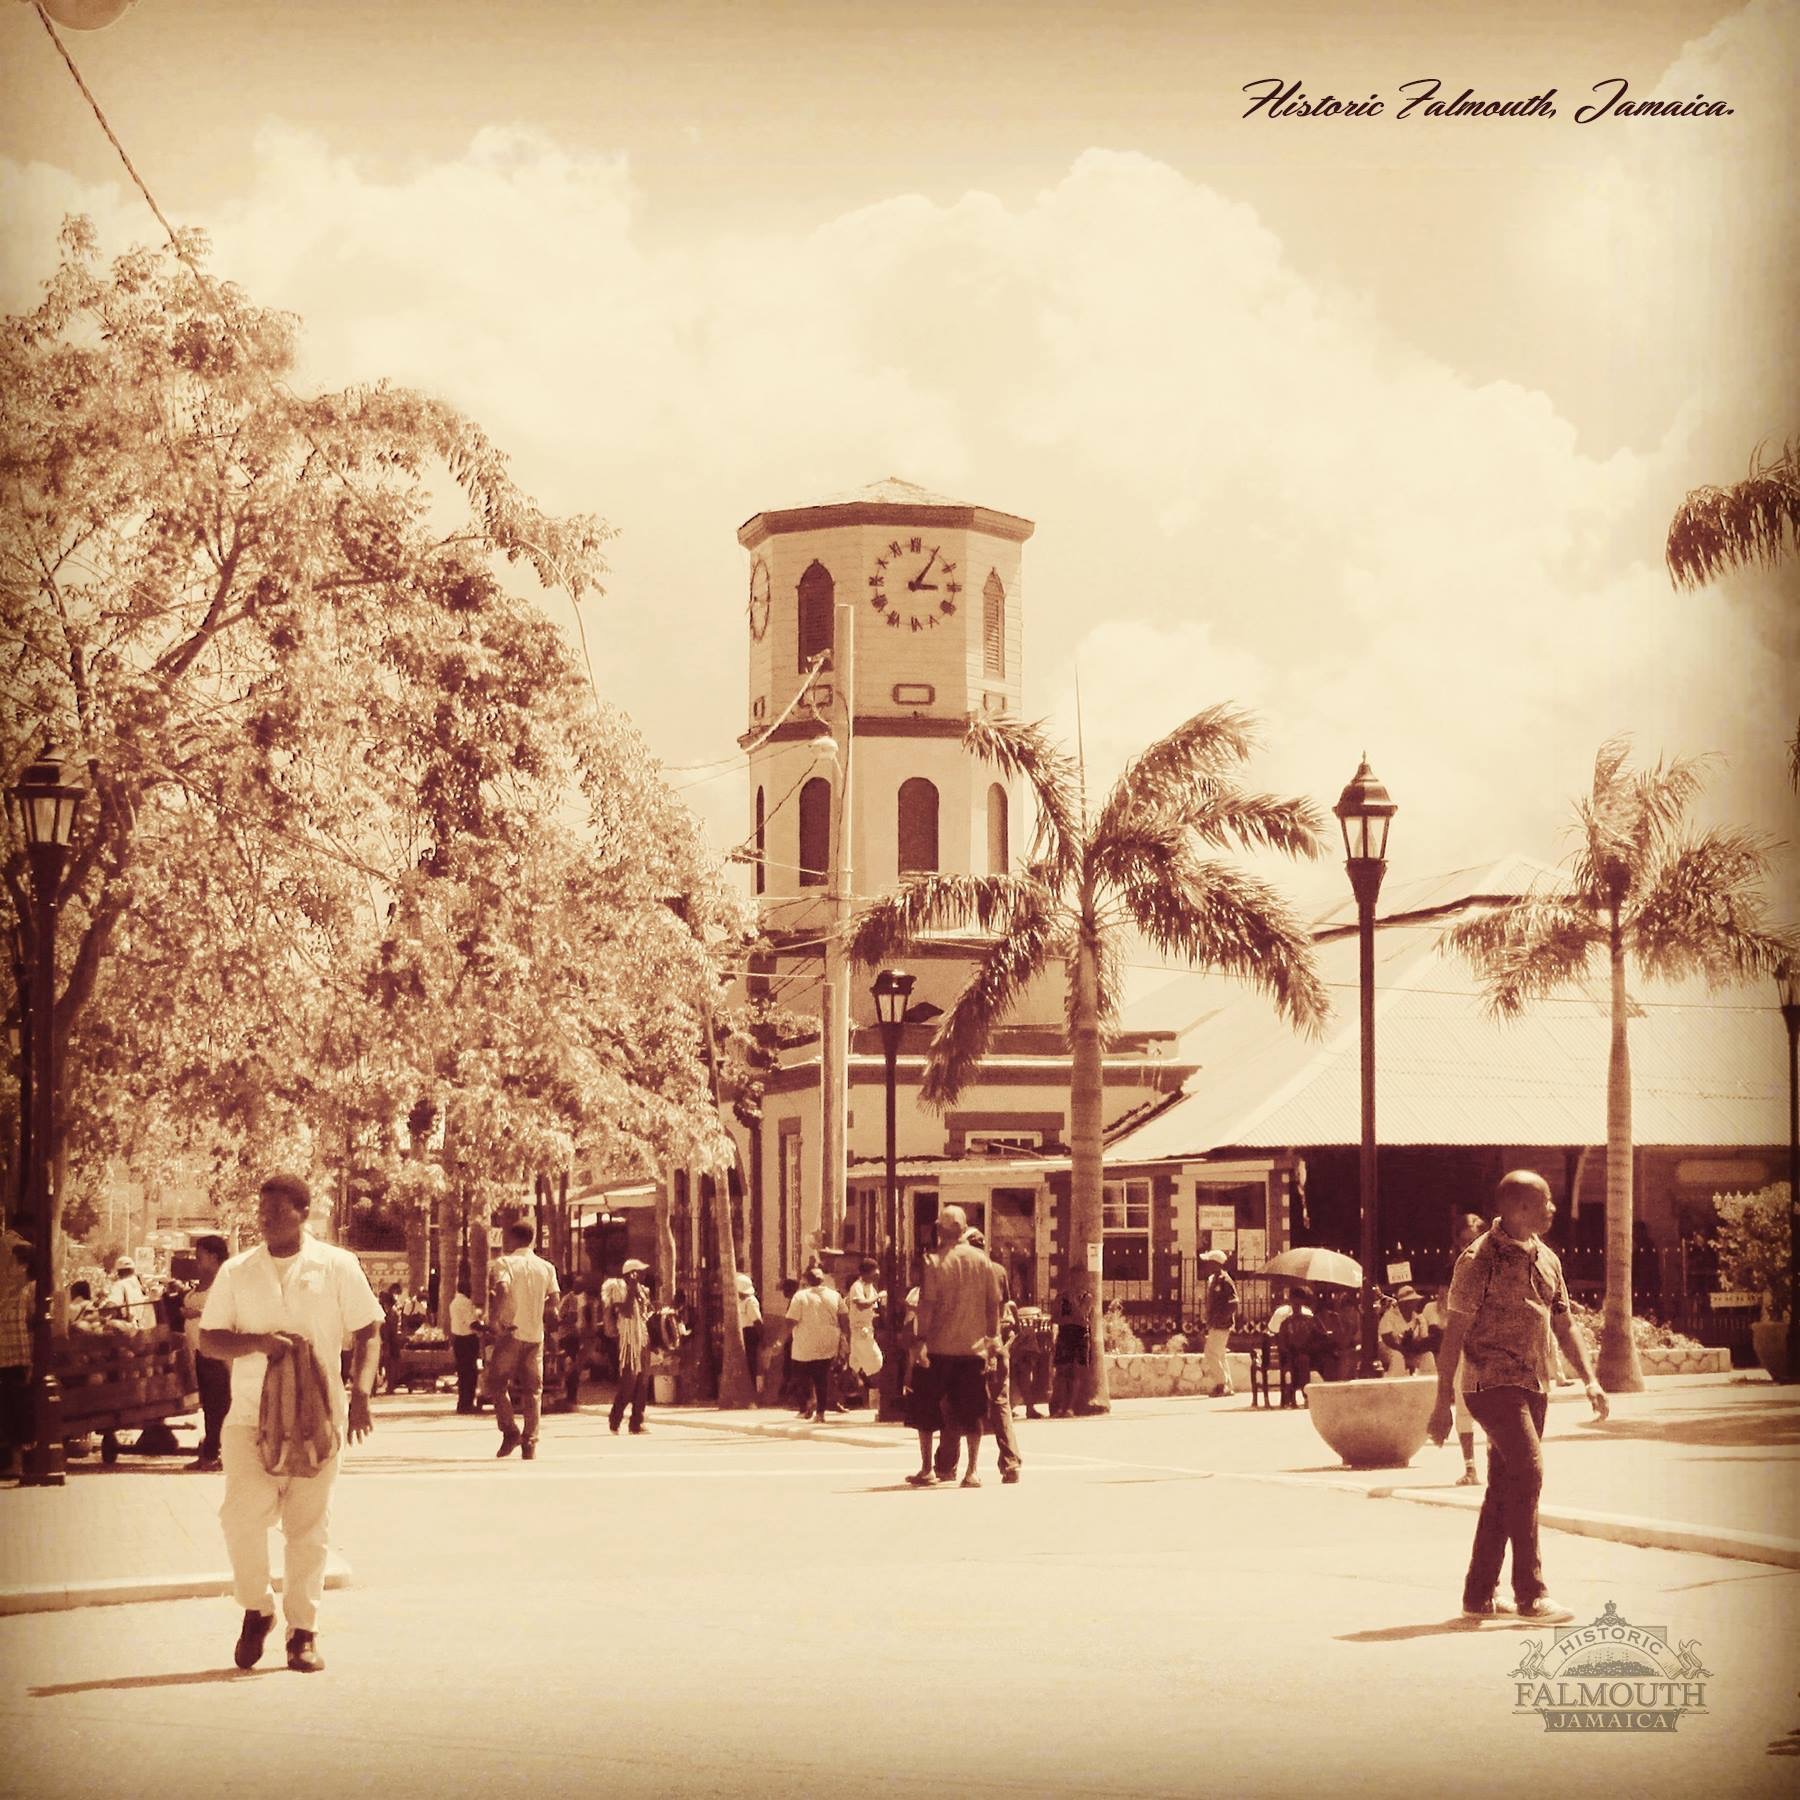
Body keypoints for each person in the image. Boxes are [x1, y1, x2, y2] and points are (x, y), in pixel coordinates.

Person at [198, 1171, 382, 1674]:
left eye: (277, 1211)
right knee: (240, 1517)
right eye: (262, 1211)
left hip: (318, 1419)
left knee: (307, 1528)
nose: (266, 1220)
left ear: (304, 1212)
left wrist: (362, 1393)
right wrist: (257, 1342)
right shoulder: (237, 1272)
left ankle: (303, 1631)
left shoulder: (337, 1266)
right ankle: (257, 1609)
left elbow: (369, 1331)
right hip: (247, 1419)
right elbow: (210, 1339)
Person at [1428, 1170, 1609, 1624]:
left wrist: (1590, 1379)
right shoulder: (1478, 1260)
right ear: (1519, 1207)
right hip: (1490, 1385)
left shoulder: (1547, 1259)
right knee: (1528, 1474)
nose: (1553, 1208)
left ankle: (1478, 1594)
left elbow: (1564, 1324)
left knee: (1504, 1489)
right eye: (1546, 1201)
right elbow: (1454, 1336)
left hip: (1534, 1384)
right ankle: (1531, 1593)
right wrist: (1441, 1404)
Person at [912, 1205, 1002, 1488]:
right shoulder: (983, 1261)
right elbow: (993, 1306)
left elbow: (927, 1305)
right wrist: (992, 1341)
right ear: (963, 1230)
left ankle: (928, 1468)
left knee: (926, 1410)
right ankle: (972, 1471)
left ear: (940, 1230)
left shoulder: (934, 1262)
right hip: (972, 1349)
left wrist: (919, 1341)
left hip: (938, 1349)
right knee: (973, 1412)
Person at [487, 1220, 559, 1460]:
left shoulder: (504, 1263)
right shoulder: (547, 1267)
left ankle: (510, 1431)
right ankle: (530, 1441)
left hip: (511, 1332)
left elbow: (503, 1289)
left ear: (513, 1239)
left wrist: (497, 1319)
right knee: (533, 1390)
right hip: (535, 1335)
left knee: (497, 1384)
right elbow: (554, 1304)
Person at [967, 1231, 1021, 1485]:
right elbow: (1006, 1306)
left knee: (958, 1404)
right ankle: (1011, 1464)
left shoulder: (963, 1273)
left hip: (970, 1346)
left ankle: (946, 1464)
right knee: (1001, 1406)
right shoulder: (998, 1271)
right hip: (997, 1345)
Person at [182, 1234, 233, 1471]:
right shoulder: (199, 1286)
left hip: (219, 1357)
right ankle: (209, 1452)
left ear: (214, 1257)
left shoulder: (225, 1284)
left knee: (218, 1406)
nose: (196, 1261)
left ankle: (217, 1453)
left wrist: (195, 1313)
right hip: (200, 1356)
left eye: (199, 1257)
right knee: (209, 1407)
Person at [786, 1265, 843, 1422]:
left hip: (805, 1344)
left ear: (807, 1280)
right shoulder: (835, 1295)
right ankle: (820, 1413)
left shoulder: (800, 1296)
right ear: (822, 1279)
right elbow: (844, 1318)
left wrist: (780, 1340)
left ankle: (809, 1403)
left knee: (800, 1376)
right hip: (828, 1342)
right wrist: (845, 1339)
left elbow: (791, 1320)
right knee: (821, 1378)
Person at [606, 1259, 654, 1435]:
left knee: (642, 1384)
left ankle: (636, 1423)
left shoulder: (644, 1291)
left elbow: (647, 1313)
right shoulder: (618, 1289)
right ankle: (615, 1419)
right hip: (628, 1341)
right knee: (629, 1383)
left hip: (643, 1339)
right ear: (630, 1274)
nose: (643, 1274)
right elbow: (625, 1312)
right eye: (639, 1271)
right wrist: (632, 1290)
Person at [1, 1242, 33, 1481]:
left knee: (15, 1410)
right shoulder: (7, 1290)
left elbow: (36, 1322)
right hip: (4, 1357)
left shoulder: (31, 1289)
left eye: (10, 1261)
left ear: (22, 1265)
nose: (6, 1266)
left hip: (18, 1358)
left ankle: (18, 1463)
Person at [1266, 1283, 1317, 1407]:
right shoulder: (1304, 1314)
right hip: (1289, 1353)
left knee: (1302, 1360)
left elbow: (1271, 1330)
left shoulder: (1303, 1315)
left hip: (1300, 1353)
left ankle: (1297, 1395)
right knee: (1300, 1361)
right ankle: (1302, 1395)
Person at [844, 1257, 883, 1407]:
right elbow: (861, 1304)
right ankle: (877, 1400)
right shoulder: (857, 1286)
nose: (877, 1275)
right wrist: (878, 1297)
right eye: (874, 1272)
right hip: (861, 1331)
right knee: (876, 1363)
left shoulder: (870, 1286)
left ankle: (867, 1400)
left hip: (867, 1329)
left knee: (855, 1367)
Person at [1199, 1248, 1238, 1396]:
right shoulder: (1214, 1279)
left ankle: (1221, 1384)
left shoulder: (1225, 1280)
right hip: (1215, 1324)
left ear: (1215, 1264)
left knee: (1210, 1354)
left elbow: (1234, 1302)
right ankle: (1228, 1385)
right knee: (1220, 1355)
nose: (1206, 1265)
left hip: (1221, 1325)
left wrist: (1221, 1319)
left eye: (1208, 1262)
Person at [1379, 1285, 1435, 1376]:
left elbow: (1423, 1339)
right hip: (1389, 1349)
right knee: (1397, 1356)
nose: (1413, 1304)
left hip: (1409, 1349)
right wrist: (1402, 1349)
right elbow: (1387, 1339)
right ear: (1402, 1303)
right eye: (1410, 1301)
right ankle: (1394, 1385)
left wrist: (1415, 1348)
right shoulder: (1389, 1316)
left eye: (1414, 1301)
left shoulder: (1419, 1318)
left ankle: (1426, 1386)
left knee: (1428, 1356)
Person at [448, 1278, 482, 1414]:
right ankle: (468, 1404)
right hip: (467, 1340)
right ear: (466, 1289)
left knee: (462, 1373)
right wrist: (487, 1329)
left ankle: (462, 1403)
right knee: (470, 1373)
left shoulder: (454, 1302)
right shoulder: (466, 1303)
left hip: (458, 1340)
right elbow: (472, 1323)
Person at [734, 1272, 764, 1401]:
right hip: (741, 1332)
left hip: (749, 1333)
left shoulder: (750, 1301)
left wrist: (763, 1338)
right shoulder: (738, 1301)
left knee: (750, 1364)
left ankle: (752, 1394)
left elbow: (757, 1321)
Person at [104, 1255, 153, 1333]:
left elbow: (111, 1305)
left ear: (118, 1272)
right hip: (141, 1329)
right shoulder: (139, 1285)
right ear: (133, 1270)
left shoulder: (120, 1285)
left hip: (127, 1330)